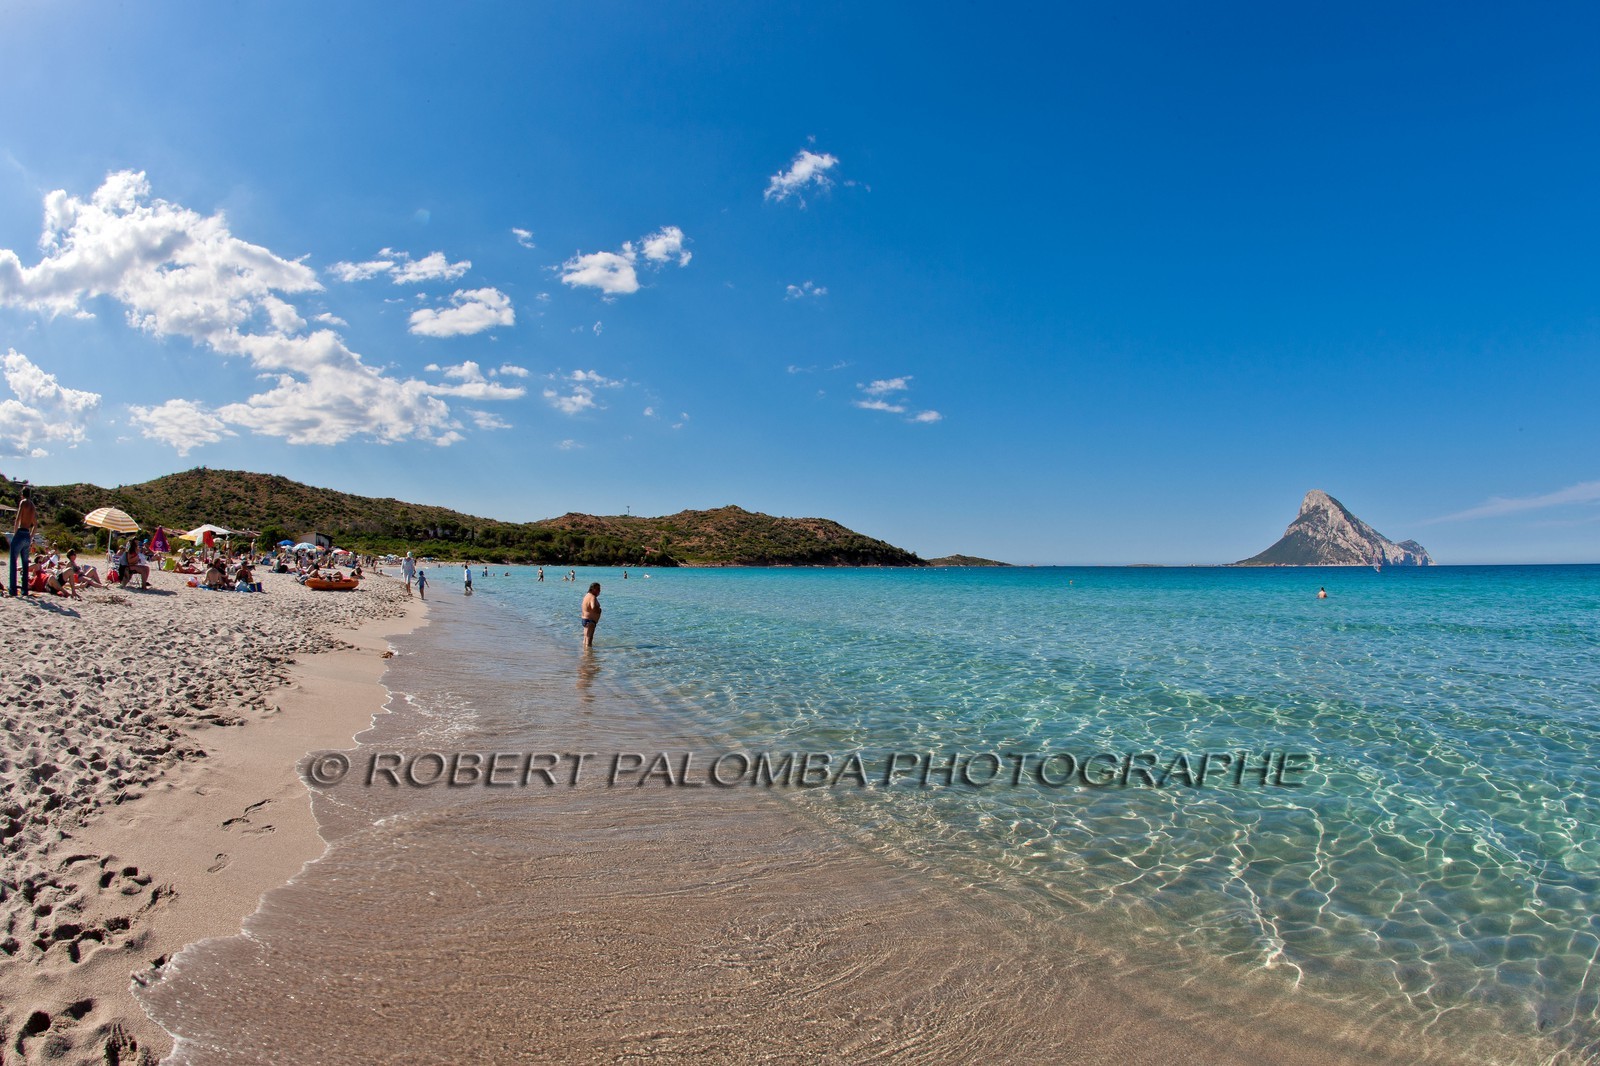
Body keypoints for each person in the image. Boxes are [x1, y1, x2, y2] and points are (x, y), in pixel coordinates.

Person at [9, 485, 35, 598]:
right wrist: (31, 537)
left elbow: (18, 518)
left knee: (13, 561)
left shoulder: (23, 502)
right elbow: (35, 524)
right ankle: (25, 590)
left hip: (20, 532)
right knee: (25, 564)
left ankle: (13, 590)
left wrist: (15, 533)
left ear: (22, 494)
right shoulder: (33, 506)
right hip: (27, 534)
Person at [581, 581, 602, 649]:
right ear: (593, 589)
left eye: (599, 589)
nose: (599, 591)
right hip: (590, 621)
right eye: (598, 589)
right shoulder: (592, 597)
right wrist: (599, 610)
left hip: (585, 619)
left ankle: (585, 652)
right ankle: (589, 654)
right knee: (589, 640)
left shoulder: (587, 595)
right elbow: (593, 607)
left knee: (585, 638)